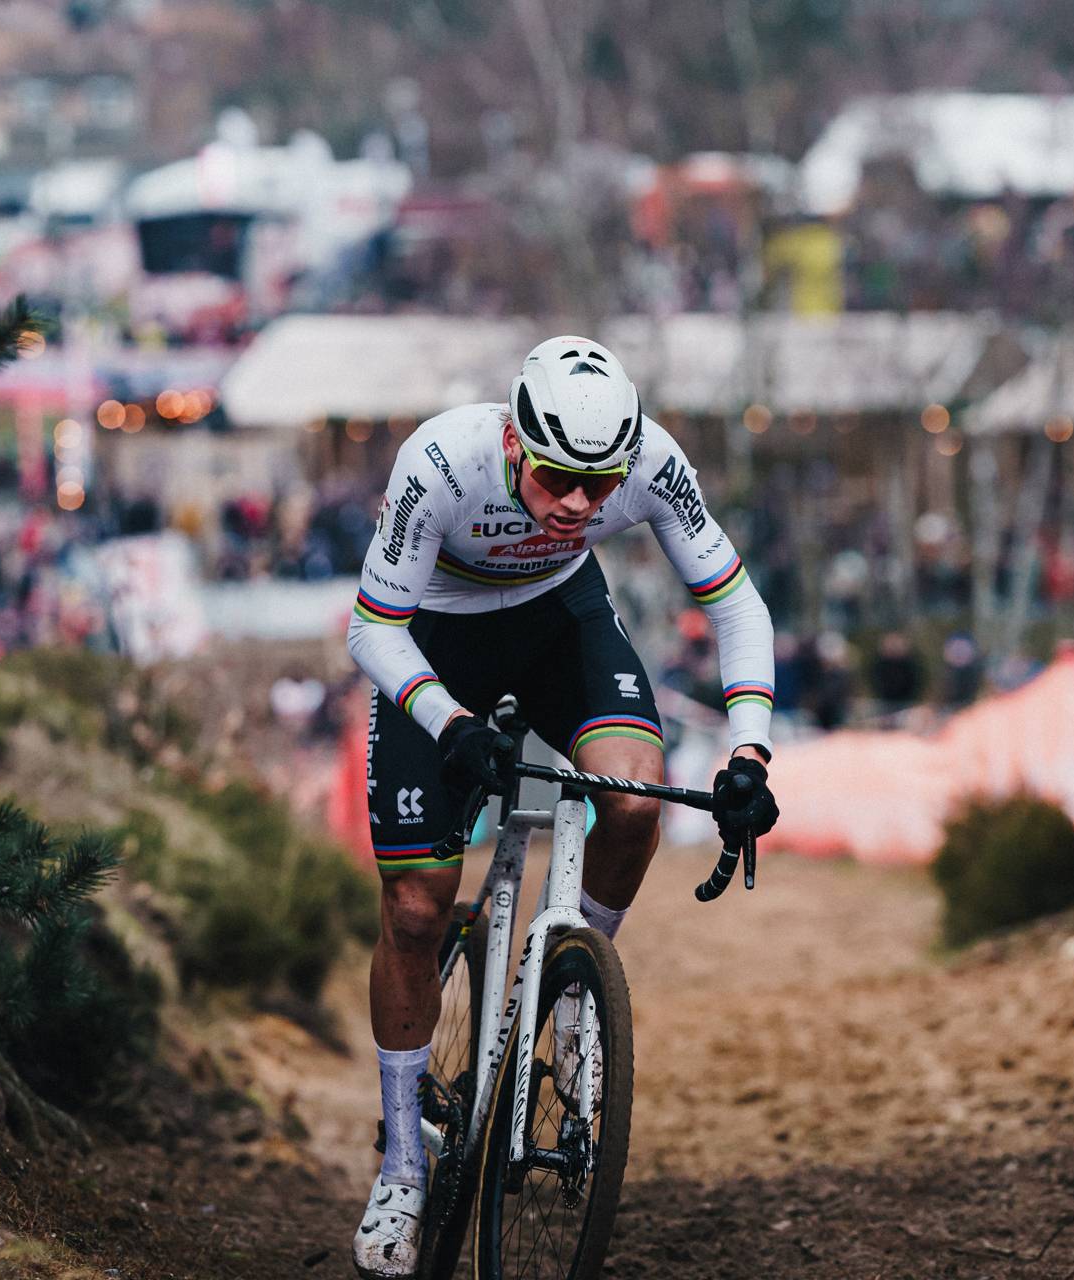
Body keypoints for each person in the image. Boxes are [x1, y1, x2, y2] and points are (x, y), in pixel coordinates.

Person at [344, 336, 781, 1277]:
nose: (579, 504)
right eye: (555, 480)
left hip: (558, 622)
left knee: (629, 805)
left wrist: (750, 751)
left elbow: (739, 604)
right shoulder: (442, 460)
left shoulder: (653, 461)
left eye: (599, 485)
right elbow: (371, 625)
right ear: (512, 441)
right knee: (416, 910)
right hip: (433, 644)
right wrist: (449, 722)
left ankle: (576, 993)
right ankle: (404, 1164)